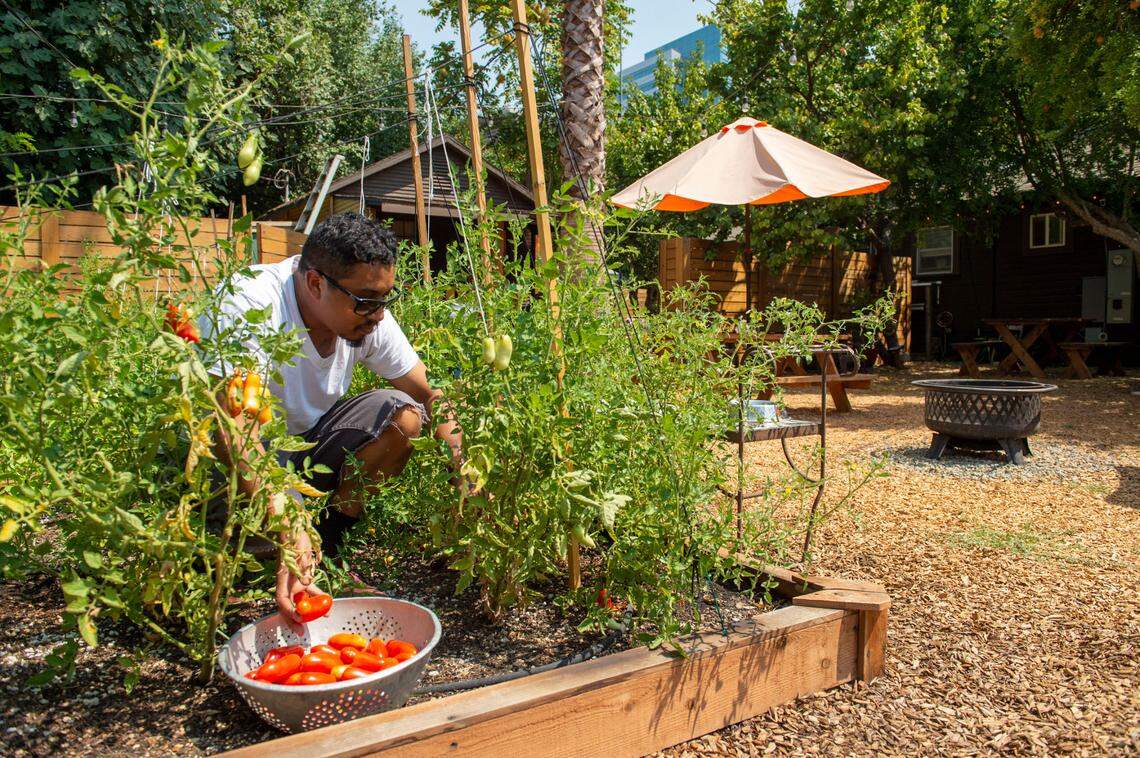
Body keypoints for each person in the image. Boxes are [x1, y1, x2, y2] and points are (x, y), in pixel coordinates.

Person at [201, 213, 463, 623]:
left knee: (403, 416)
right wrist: (285, 518)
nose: (377, 315)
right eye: (366, 301)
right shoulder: (250, 302)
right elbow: (234, 430)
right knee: (238, 570)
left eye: (384, 300)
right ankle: (271, 551)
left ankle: (330, 551)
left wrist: (464, 462)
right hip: (245, 457)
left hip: (310, 451)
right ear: (315, 283)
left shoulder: (365, 312)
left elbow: (431, 393)